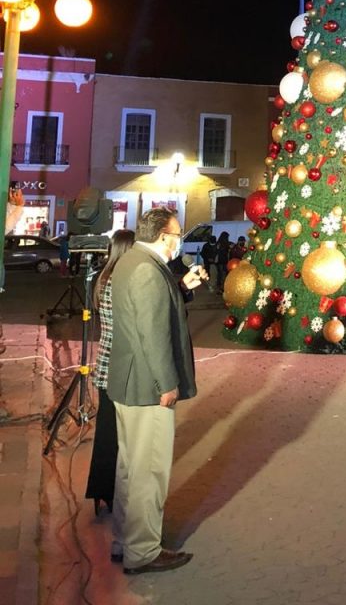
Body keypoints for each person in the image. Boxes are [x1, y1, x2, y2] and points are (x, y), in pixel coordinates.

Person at [108, 208, 203, 575]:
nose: (179, 241)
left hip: (128, 381)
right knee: (149, 469)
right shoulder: (149, 270)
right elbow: (153, 334)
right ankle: (144, 550)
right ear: (164, 236)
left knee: (130, 467)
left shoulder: (132, 261)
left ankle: (125, 539)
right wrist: (168, 383)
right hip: (147, 386)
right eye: (177, 235)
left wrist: (180, 287)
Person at [85, 229, 136, 514]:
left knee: (106, 432)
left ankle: (100, 490)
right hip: (117, 368)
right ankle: (110, 490)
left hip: (104, 365)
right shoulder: (122, 281)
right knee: (120, 437)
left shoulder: (104, 278)